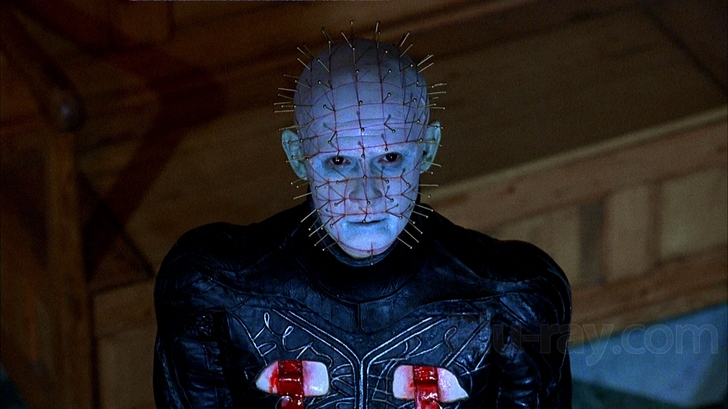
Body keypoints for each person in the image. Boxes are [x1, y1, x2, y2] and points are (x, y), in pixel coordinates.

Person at [153, 29, 572, 409]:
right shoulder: (212, 290)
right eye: (339, 162)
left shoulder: (515, 301)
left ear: (427, 149)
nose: (366, 196)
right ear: (297, 157)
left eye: (390, 159)